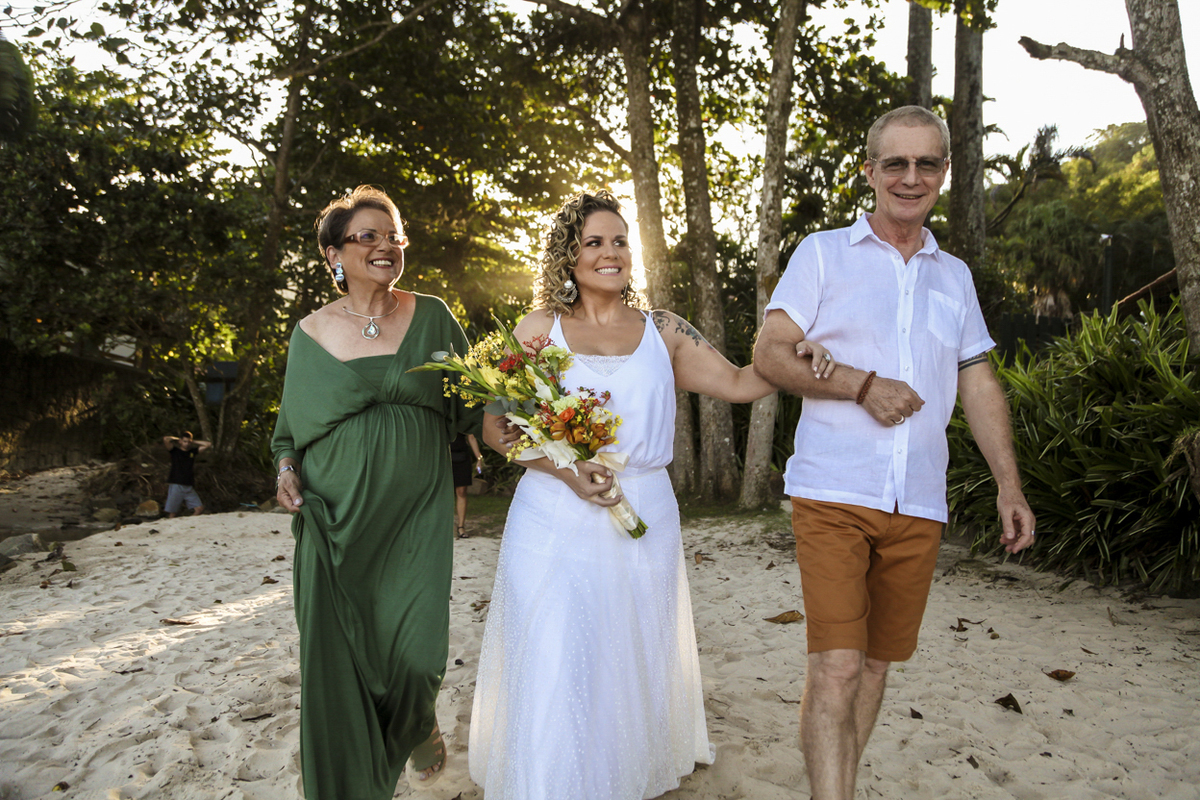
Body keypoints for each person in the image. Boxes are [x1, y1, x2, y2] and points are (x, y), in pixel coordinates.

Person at [468, 189, 837, 800]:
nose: (610, 253)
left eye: (620, 242)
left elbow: (745, 383)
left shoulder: (664, 331)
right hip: (553, 511)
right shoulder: (537, 331)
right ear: (568, 255)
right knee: (557, 644)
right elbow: (496, 429)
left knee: (629, 645)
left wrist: (799, 351)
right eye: (594, 243)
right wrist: (567, 470)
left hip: (645, 506)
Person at [752, 106, 1037, 800]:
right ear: (870, 172)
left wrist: (1009, 486)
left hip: (919, 499)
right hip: (834, 493)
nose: (912, 178)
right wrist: (861, 386)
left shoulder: (956, 278)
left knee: (876, 670)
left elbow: (978, 382)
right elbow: (768, 353)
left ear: (944, 171)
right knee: (839, 668)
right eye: (896, 164)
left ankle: (835, 784)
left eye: (927, 163)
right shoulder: (822, 254)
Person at [271, 185, 482, 800]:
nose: (387, 246)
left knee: (416, 655)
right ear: (334, 254)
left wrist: (550, 436)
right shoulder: (308, 335)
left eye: (394, 236)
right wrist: (286, 469)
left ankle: (417, 719)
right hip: (336, 520)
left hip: (415, 515)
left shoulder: (434, 316)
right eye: (369, 236)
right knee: (344, 660)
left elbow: (474, 404)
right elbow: (288, 430)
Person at [161, 431, 210, 517]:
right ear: (180, 441)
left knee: (199, 508)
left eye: (188, 442)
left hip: (188, 484)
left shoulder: (192, 452)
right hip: (176, 483)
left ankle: (189, 523)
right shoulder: (174, 451)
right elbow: (166, 439)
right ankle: (170, 527)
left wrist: (193, 441)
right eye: (184, 441)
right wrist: (177, 439)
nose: (187, 444)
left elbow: (208, 444)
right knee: (173, 512)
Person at [450, 433, 484, 537]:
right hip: (443, 456)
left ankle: (461, 527)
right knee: (442, 492)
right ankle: (443, 526)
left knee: (462, 491)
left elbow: (471, 437)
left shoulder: (463, 419)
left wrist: (479, 458)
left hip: (461, 455)